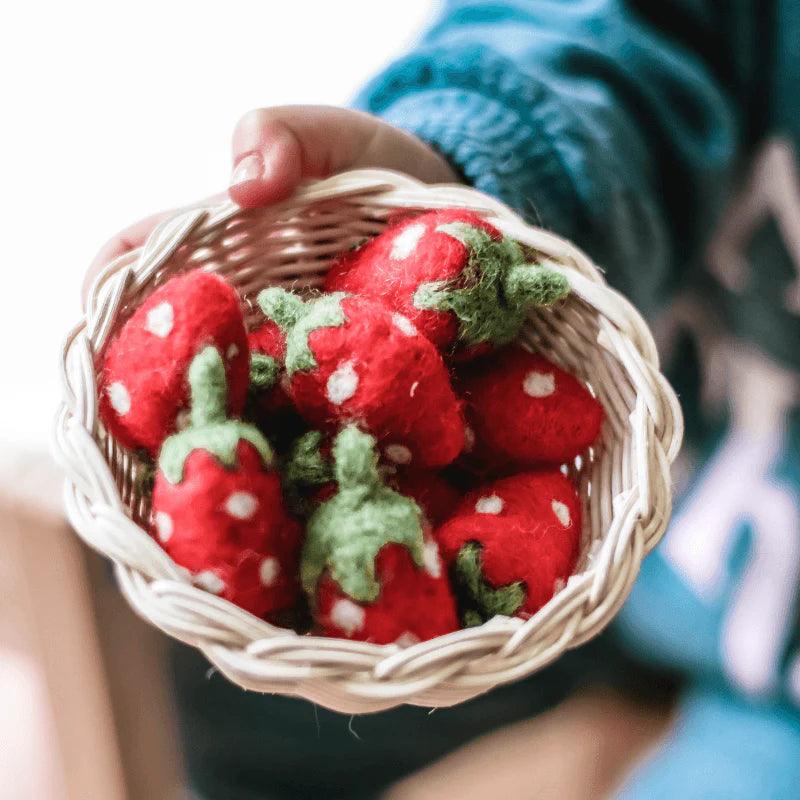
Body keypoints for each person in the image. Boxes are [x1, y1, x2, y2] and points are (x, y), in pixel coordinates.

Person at [86, 2, 800, 798]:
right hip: (648, 529)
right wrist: (466, 175)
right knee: (217, 720)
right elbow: (628, 30)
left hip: (765, 685)